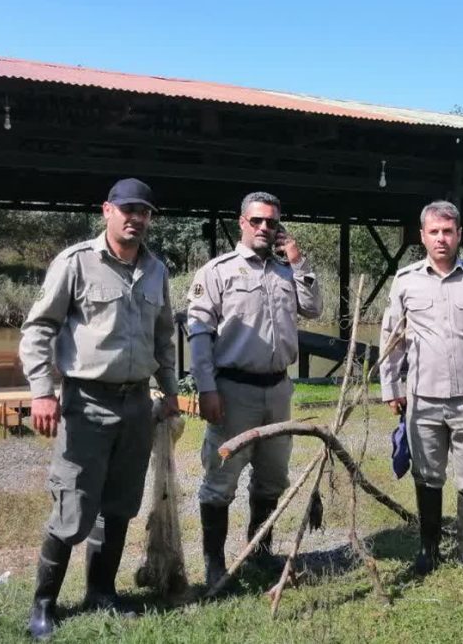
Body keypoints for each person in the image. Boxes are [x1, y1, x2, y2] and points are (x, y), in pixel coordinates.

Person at [19, 178, 180, 639]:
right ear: (107, 210)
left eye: (144, 211)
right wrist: (42, 391)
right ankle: (44, 605)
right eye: (127, 209)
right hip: (86, 401)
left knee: (120, 504)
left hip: (136, 404)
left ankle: (102, 593)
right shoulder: (76, 263)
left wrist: (168, 391)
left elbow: (164, 336)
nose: (135, 218)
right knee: (73, 504)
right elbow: (39, 328)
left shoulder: (156, 270)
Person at [186, 191, 323, 589]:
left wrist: (299, 262)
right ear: (242, 222)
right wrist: (206, 388)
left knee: (272, 477)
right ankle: (215, 564)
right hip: (234, 391)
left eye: (272, 222)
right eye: (257, 221)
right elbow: (198, 334)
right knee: (221, 479)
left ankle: (260, 552)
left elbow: (313, 309)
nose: (265, 228)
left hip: (278, 390)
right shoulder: (217, 272)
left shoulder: (285, 272)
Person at [378, 200, 463, 577]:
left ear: (459, 235)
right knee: (427, 474)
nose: (441, 238)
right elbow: (392, 337)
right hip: (423, 397)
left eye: (448, 231)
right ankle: (429, 548)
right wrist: (391, 386)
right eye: (434, 231)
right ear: (422, 236)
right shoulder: (406, 281)